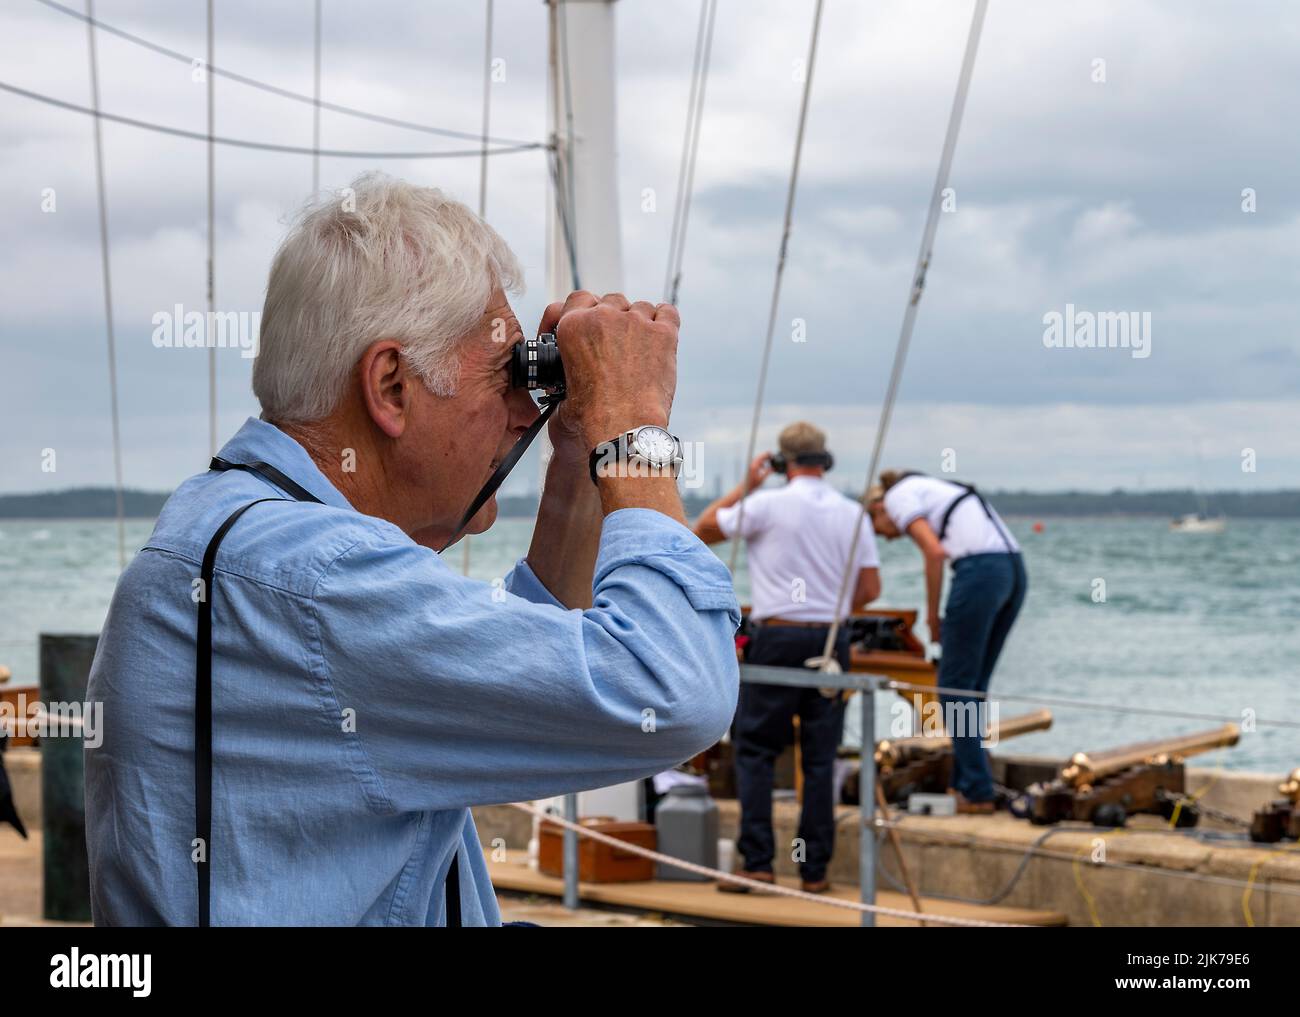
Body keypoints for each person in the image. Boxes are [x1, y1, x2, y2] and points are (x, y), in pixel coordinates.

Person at [83, 173, 741, 926]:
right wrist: (633, 427)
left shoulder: (242, 536)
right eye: (507, 376)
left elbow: (521, 683)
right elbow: (672, 693)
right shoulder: (309, 581)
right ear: (391, 385)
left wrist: (576, 449)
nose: (524, 409)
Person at [694, 422, 880, 893]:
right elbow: (870, 588)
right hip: (830, 643)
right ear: (825, 460)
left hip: (777, 638)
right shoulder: (851, 512)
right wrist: (830, 611)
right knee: (821, 758)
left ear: (782, 462)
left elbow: (704, 529)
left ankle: (757, 863)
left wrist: (748, 485)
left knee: (755, 751)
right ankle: (814, 871)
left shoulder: (765, 505)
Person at [867, 470, 1026, 813]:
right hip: (1013, 569)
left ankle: (977, 789)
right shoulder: (934, 488)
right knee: (974, 687)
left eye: (879, 528)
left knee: (953, 687)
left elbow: (934, 553)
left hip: (979, 573)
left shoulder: (898, 496)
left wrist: (932, 616)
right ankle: (969, 777)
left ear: (879, 506)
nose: (888, 537)